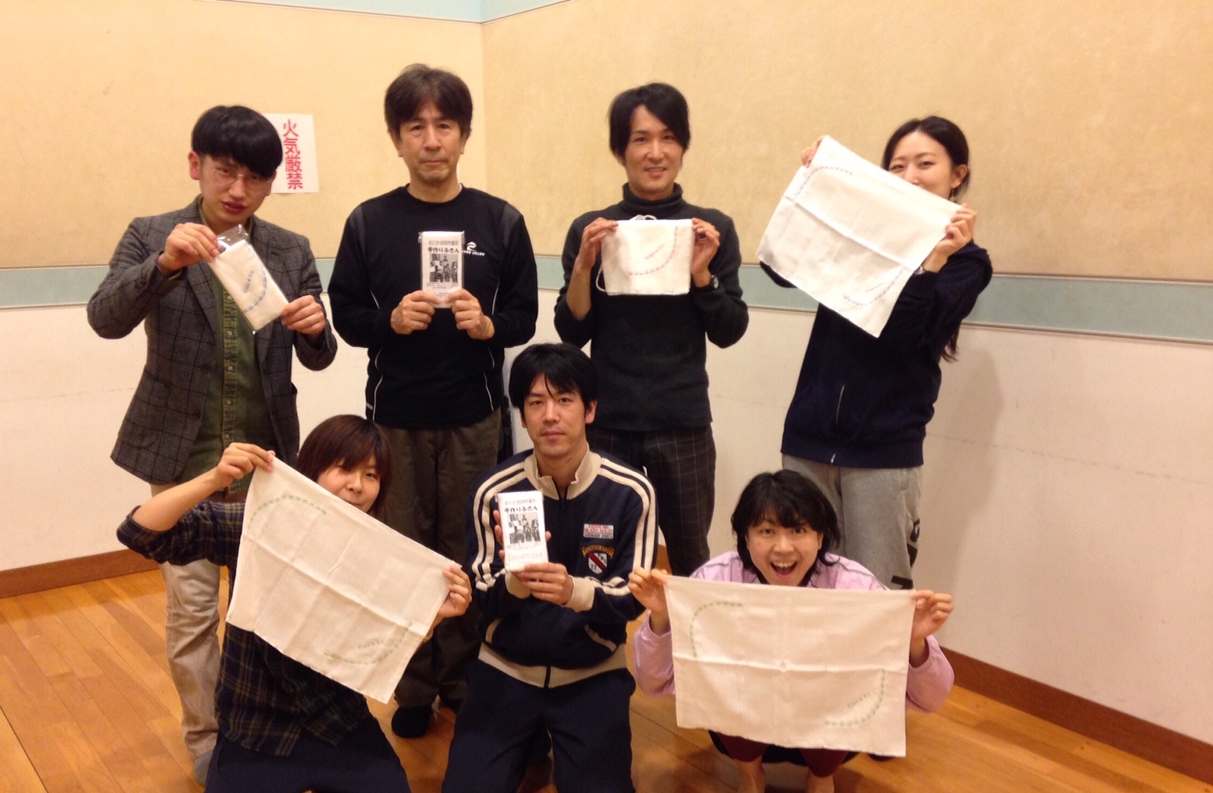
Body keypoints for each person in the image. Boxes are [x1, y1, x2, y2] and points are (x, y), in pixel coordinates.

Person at [117, 415, 471, 793]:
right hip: (256, 731)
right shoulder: (262, 522)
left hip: (338, 725)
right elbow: (139, 532)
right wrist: (214, 479)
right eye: (344, 468)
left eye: (371, 475)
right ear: (311, 469)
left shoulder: (377, 553)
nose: (358, 485)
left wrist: (432, 618)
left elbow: (382, 646)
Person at [88, 105, 337, 784]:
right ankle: (207, 740)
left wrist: (316, 328)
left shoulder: (289, 248)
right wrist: (163, 265)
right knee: (194, 612)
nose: (239, 189)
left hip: (267, 459)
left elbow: (319, 357)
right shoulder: (152, 235)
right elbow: (104, 317)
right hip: (184, 459)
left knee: (264, 607)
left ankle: (267, 727)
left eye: (256, 178)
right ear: (195, 165)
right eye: (226, 171)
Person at [329, 64, 538, 739]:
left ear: (464, 135)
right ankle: (413, 684)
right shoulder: (369, 222)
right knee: (402, 551)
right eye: (415, 127)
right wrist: (388, 320)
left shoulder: (499, 220)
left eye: (444, 125)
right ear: (396, 139)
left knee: (467, 548)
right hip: (394, 417)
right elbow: (345, 314)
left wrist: (489, 326)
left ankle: (464, 677)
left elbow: (525, 316)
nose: (431, 140)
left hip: (475, 415)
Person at [630, 470, 954, 793]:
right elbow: (652, 682)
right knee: (724, 682)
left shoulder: (855, 587)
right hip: (742, 730)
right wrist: (661, 616)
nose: (783, 547)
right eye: (767, 531)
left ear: (821, 537)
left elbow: (932, 698)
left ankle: (822, 784)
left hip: (829, 736)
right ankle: (750, 780)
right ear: (745, 537)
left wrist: (914, 640)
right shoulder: (715, 582)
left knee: (840, 687)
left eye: (798, 530)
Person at [764, 117, 992, 589]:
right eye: (897, 166)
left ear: (957, 175)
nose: (910, 176)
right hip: (808, 440)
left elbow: (907, 335)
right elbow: (781, 268)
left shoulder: (968, 263)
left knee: (876, 595)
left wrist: (932, 264)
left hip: (883, 453)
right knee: (803, 584)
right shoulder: (863, 232)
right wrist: (819, 187)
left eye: (925, 164)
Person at [441, 343, 657, 793]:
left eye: (564, 400)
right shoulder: (494, 489)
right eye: (536, 403)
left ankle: (555, 738)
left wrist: (573, 592)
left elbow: (634, 596)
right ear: (522, 414)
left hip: (590, 671)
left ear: (590, 409)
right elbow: (478, 593)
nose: (550, 415)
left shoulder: (631, 491)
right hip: (506, 669)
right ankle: (530, 737)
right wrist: (515, 585)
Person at [554, 82, 749, 579]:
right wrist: (584, 266)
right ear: (620, 150)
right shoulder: (592, 229)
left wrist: (702, 274)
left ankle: (683, 635)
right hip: (607, 420)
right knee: (599, 550)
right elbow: (571, 331)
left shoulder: (710, 228)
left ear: (683, 146)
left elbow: (730, 330)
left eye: (668, 138)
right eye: (640, 139)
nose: (655, 153)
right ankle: (600, 631)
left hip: (682, 421)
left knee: (690, 557)